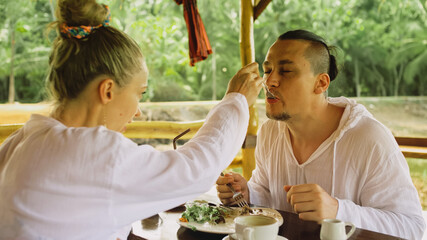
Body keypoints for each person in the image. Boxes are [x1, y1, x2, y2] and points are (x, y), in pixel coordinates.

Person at [0, 0, 263, 239]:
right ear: (108, 91)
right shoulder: (93, 153)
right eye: (140, 93)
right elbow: (197, 168)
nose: (138, 112)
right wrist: (236, 100)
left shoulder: (21, 141)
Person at [216, 29, 426, 239]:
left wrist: (337, 211)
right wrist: (247, 193)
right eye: (267, 70)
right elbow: (268, 194)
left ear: (321, 83)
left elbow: (412, 228)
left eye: (286, 71)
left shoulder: (369, 138)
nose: (269, 82)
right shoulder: (270, 132)